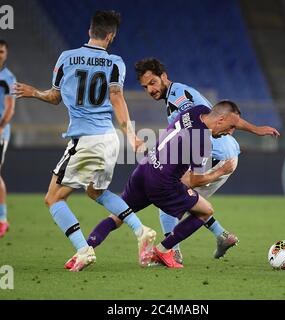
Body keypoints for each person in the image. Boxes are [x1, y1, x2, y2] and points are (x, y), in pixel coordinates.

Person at [86, 58, 280, 264]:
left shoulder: (179, 98)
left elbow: (209, 126)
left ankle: (172, 251)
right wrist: (256, 129)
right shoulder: (179, 97)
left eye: (152, 83)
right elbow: (221, 115)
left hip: (216, 156)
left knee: (173, 203)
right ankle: (220, 236)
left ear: (164, 77)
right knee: (186, 202)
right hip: (215, 154)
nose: (150, 90)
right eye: (145, 87)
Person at [13, 11, 156, 271]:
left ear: (90, 31)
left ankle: (83, 249)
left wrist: (34, 93)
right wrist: (131, 135)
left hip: (85, 141)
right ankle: (140, 229)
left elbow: (54, 97)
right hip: (109, 140)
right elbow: (116, 98)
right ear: (111, 36)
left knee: (53, 199)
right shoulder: (115, 62)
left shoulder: (66, 59)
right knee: (96, 191)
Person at [89, 101, 241, 268]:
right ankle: (163, 250)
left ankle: (85, 249)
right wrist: (221, 171)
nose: (230, 132)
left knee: (118, 216)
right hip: (163, 185)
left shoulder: (196, 111)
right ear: (220, 120)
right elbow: (195, 180)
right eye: (231, 126)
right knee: (205, 211)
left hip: (144, 169)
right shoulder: (203, 142)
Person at [0, 40, 16, 238]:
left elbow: (10, 108)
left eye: (2, 51)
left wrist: (1, 127)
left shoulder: (8, 78)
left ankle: (3, 219)